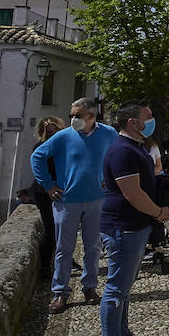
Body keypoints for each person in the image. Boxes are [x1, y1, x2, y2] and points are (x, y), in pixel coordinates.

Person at [98, 101, 169, 336]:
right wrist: (159, 213)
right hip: (123, 226)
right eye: (148, 116)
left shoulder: (135, 147)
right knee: (116, 288)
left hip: (134, 225)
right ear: (133, 122)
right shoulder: (122, 151)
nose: (152, 119)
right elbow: (133, 194)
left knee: (125, 286)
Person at [31, 97, 118, 314]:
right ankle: (60, 292)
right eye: (71, 115)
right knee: (64, 248)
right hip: (66, 201)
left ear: (91, 116)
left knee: (93, 247)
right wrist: (49, 185)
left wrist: (112, 177)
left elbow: (117, 157)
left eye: (77, 116)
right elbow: (37, 157)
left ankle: (89, 287)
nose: (72, 120)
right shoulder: (63, 136)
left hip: (97, 199)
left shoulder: (109, 134)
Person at [31, 116, 66, 280]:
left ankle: (64, 260)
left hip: (60, 191)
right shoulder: (41, 147)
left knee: (63, 229)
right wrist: (49, 187)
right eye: (49, 132)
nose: (52, 135)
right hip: (44, 192)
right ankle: (45, 267)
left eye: (55, 131)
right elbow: (39, 170)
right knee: (51, 230)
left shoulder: (64, 145)